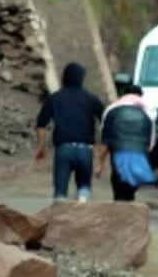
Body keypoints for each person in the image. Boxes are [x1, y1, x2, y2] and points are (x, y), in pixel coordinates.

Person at [34, 61, 106, 202]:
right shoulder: (91, 99)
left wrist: (41, 147)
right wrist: (101, 152)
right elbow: (106, 121)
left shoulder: (54, 98)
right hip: (85, 150)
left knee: (60, 193)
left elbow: (41, 124)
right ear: (81, 78)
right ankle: (82, 209)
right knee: (84, 189)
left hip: (63, 150)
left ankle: (59, 218)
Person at [96, 83, 157, 202]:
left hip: (118, 151)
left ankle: (120, 207)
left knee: (119, 182)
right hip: (139, 151)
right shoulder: (148, 111)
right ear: (140, 95)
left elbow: (105, 139)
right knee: (132, 184)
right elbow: (151, 140)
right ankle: (129, 205)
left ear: (123, 95)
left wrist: (100, 164)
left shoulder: (111, 109)